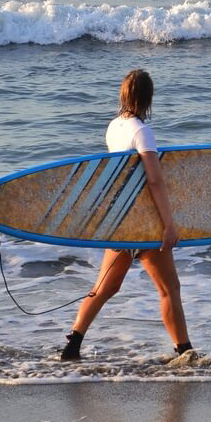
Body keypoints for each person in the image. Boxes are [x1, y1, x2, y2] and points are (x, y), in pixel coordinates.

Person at [60, 69, 193, 361]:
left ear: (123, 95)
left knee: (105, 287)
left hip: (119, 222)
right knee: (169, 289)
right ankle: (185, 352)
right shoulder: (141, 131)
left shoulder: (113, 127)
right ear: (148, 99)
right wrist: (169, 225)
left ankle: (73, 344)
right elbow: (154, 180)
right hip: (144, 224)